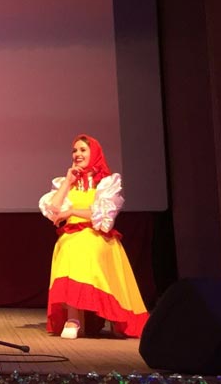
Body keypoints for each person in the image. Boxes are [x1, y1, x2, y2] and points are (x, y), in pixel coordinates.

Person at [39, 134, 148, 339]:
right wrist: (67, 182)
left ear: (94, 153)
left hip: (98, 235)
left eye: (83, 150)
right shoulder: (66, 183)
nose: (77, 154)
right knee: (69, 245)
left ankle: (104, 315)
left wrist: (72, 212)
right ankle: (73, 318)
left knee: (81, 246)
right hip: (71, 235)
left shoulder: (107, 182)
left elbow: (104, 217)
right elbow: (53, 210)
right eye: (74, 150)